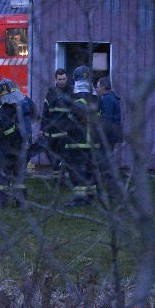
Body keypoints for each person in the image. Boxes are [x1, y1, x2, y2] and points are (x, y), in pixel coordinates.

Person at [63, 66, 102, 206]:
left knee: (77, 172)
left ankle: (80, 199)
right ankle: (90, 197)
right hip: (93, 143)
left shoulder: (77, 101)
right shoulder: (96, 99)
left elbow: (72, 122)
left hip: (78, 142)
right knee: (90, 170)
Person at [0, 78, 28, 208]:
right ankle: (21, 203)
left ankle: (2, 203)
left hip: (7, 148)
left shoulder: (3, 110)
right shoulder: (24, 104)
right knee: (19, 177)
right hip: (21, 148)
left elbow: (6, 130)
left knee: (3, 176)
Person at [40, 68, 73, 178]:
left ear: (67, 78)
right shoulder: (51, 93)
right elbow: (45, 112)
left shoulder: (71, 93)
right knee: (52, 156)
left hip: (65, 132)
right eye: (60, 79)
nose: (62, 81)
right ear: (56, 79)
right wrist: (42, 129)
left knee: (64, 156)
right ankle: (56, 179)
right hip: (52, 132)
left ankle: (61, 178)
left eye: (64, 79)